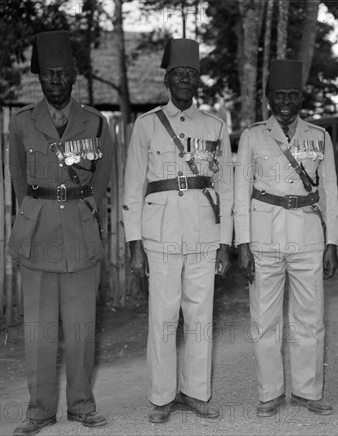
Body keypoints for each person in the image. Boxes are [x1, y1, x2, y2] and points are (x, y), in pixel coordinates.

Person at [122, 38, 233, 423]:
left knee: (201, 317)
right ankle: (161, 397)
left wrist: (225, 242)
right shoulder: (148, 124)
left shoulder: (216, 126)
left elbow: (226, 188)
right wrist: (134, 243)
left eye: (191, 73)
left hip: (204, 233)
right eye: (178, 74)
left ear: (197, 80)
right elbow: (133, 185)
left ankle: (196, 393)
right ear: (167, 80)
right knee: (164, 318)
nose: (185, 79)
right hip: (161, 233)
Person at [7, 31, 112, 435]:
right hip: (37, 235)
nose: (55, 81)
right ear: (40, 78)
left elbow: (101, 178)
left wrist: (84, 209)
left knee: (83, 327)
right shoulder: (21, 123)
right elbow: (18, 177)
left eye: (62, 74)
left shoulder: (97, 123)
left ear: (73, 78)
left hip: (81, 233)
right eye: (48, 74)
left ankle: (83, 406)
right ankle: (40, 410)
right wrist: (35, 213)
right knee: (39, 331)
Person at [234, 60, 338, 417]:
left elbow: (330, 194)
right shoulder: (252, 136)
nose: (285, 102)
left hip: (308, 233)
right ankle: (270, 393)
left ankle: (308, 391)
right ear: (268, 98)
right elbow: (239, 192)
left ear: (301, 98)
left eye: (292, 95)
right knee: (265, 319)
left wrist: (332, 242)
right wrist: (242, 244)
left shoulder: (319, 136)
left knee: (310, 318)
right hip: (263, 234)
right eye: (279, 95)